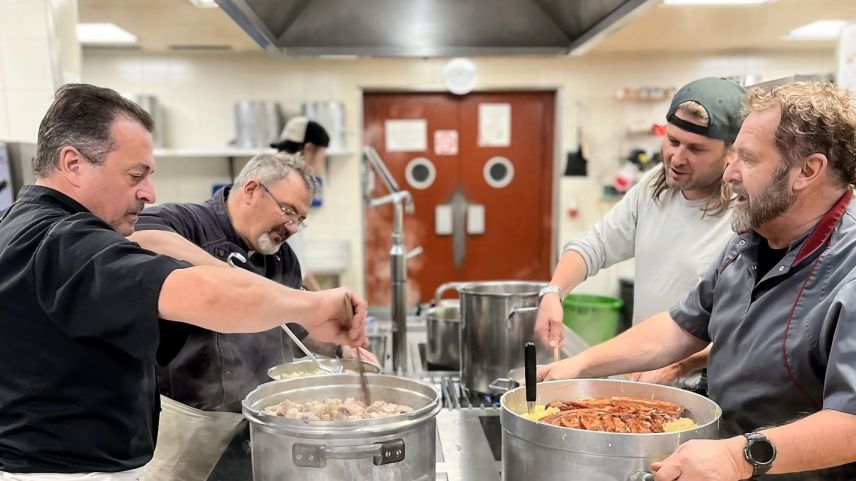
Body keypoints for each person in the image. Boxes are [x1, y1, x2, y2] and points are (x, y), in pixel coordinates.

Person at [0, 83, 366, 480]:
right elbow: (205, 292)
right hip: (66, 472)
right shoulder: (64, 241)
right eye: (135, 175)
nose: (149, 193)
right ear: (73, 164)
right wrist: (316, 305)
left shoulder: (28, 227)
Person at [538, 81, 856, 481]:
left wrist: (738, 457)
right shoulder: (748, 244)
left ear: (807, 171)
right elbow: (680, 327)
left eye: (748, 159)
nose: (730, 172)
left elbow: (851, 422)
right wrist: (581, 365)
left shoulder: (848, 271)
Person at [128, 152, 376, 481]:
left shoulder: (284, 260)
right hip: (183, 419)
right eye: (288, 211)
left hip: (255, 421)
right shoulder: (189, 222)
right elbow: (139, 239)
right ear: (251, 190)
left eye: (300, 219)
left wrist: (341, 349)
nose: (292, 227)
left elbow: (292, 328)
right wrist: (241, 283)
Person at [535, 77, 745, 386]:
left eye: (696, 149)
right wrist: (555, 292)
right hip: (640, 379)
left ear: (732, 153)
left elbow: (745, 330)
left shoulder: (743, 216)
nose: (677, 157)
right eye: (672, 141)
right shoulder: (653, 187)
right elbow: (594, 245)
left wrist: (679, 366)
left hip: (703, 389)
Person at [271, 116, 330, 291]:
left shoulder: (275, 182)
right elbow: (298, 272)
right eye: (322, 158)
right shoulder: (288, 196)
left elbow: (300, 267)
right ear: (309, 150)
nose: (320, 167)